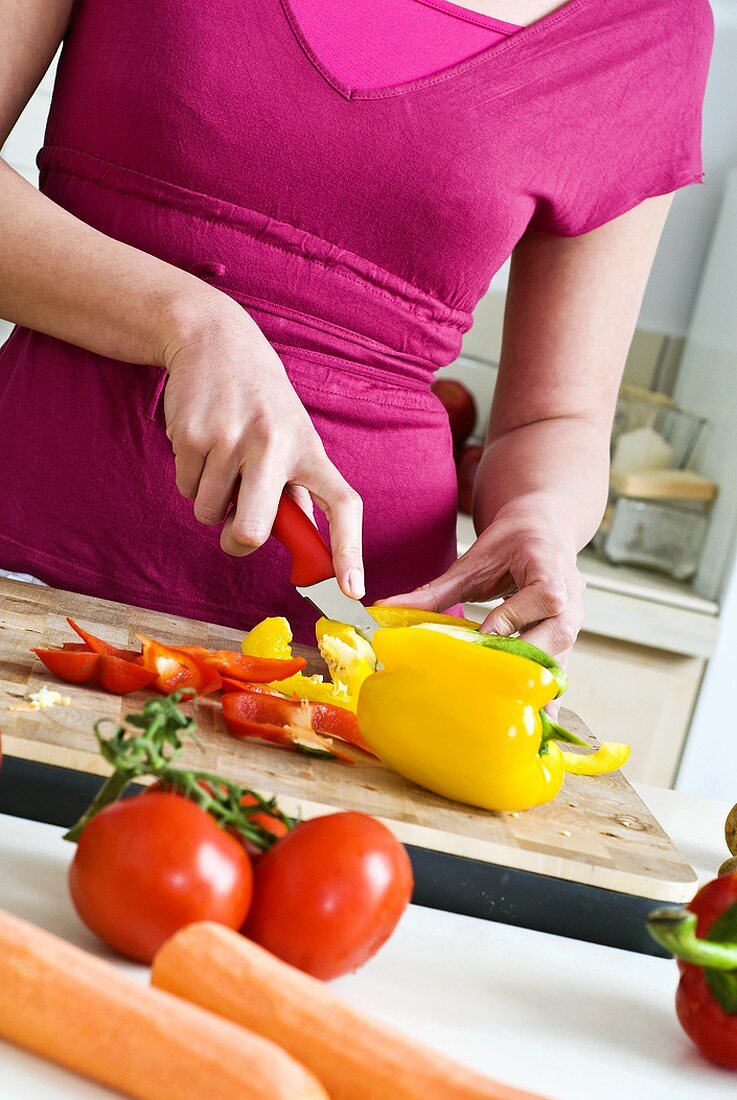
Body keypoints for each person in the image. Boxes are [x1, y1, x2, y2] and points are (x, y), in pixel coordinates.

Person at [0, 0, 713, 648]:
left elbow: (555, 418)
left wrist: (542, 516)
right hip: (24, 560)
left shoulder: (649, 27)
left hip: (351, 646)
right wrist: (190, 321)